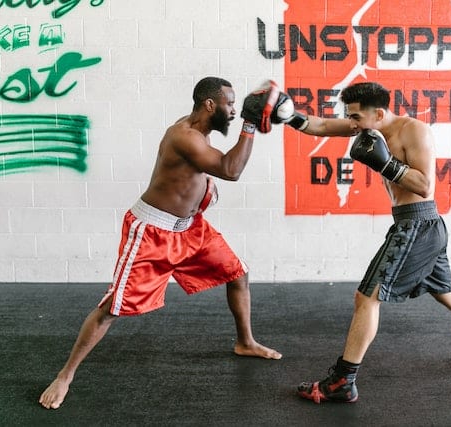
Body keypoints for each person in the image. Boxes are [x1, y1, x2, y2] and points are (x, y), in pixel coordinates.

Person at [39, 76, 283, 410]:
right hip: (151, 234)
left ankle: (245, 341)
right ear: (209, 105)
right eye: (229, 104)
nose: (233, 111)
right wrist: (250, 126)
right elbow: (231, 169)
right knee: (113, 308)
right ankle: (65, 375)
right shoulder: (183, 136)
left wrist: (204, 192)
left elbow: (199, 172)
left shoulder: (200, 133)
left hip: (191, 231)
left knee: (238, 274)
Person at [273, 82, 451, 404]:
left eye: (356, 117)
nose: (352, 124)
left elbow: (425, 185)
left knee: (366, 298)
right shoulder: (369, 128)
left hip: (418, 224)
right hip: (419, 227)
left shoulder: (414, 131)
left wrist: (385, 163)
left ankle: (343, 381)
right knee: (448, 295)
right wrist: (288, 115)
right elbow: (324, 125)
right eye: (351, 117)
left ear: (379, 113)